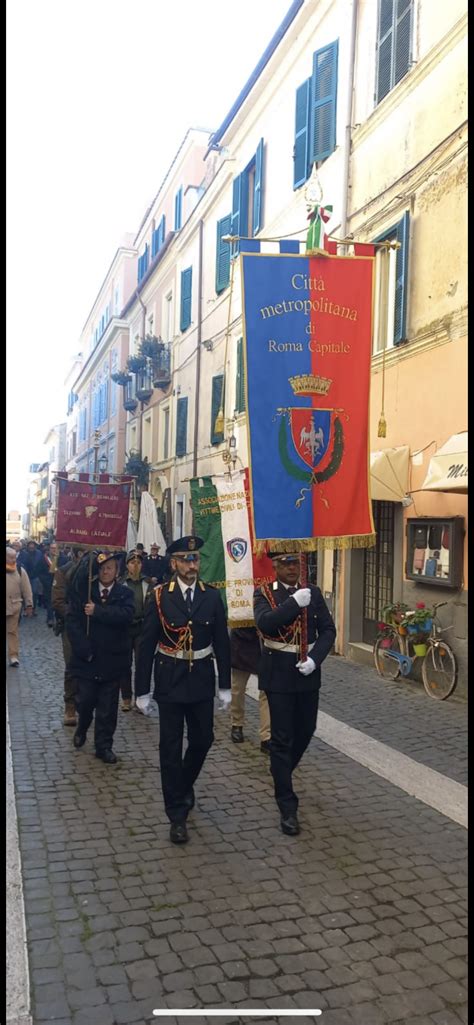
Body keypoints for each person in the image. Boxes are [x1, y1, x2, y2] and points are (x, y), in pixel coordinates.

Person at [135, 535, 231, 845]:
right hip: (170, 680)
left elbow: (222, 644)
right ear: (174, 563)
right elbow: (146, 644)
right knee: (170, 748)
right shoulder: (160, 597)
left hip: (201, 679)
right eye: (187, 560)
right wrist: (141, 691)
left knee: (204, 739)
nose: (193, 565)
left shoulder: (212, 597)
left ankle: (183, 785)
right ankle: (176, 815)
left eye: (196, 559)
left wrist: (225, 686)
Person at [253, 551, 336, 837]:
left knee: (306, 729)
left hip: (307, 671)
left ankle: (281, 771)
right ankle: (287, 807)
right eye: (286, 563)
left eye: (295, 563)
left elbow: (328, 630)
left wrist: (316, 658)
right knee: (282, 737)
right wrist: (292, 604)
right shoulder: (264, 593)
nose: (291, 568)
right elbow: (266, 623)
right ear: (275, 565)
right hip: (278, 674)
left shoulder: (312, 592)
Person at [66, 552, 135, 763]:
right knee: (85, 702)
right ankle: (83, 726)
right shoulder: (85, 592)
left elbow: (126, 615)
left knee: (107, 708)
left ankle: (103, 746)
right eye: (103, 568)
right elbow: (73, 621)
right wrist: (83, 649)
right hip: (88, 659)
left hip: (112, 661)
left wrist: (98, 612)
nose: (106, 572)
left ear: (117, 571)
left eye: (111, 568)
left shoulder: (124, 594)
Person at [51, 546, 85, 725]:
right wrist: (74, 615)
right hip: (71, 627)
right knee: (72, 665)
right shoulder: (64, 572)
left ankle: (85, 703)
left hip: (92, 625)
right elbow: (57, 601)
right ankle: (70, 705)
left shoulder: (95, 573)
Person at [119, 551, 155, 711]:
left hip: (142, 628)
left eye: (139, 563)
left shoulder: (148, 583)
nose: (136, 565)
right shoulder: (121, 584)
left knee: (142, 665)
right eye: (132, 563)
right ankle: (126, 698)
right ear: (127, 565)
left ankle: (141, 698)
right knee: (124, 665)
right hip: (125, 628)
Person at [230, 626, 271, 752]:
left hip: (264, 642)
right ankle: (237, 724)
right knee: (238, 688)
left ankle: (266, 736)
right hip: (241, 639)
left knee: (266, 691)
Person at [6, 547, 34, 666]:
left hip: (14, 606)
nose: (13, 560)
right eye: (10, 557)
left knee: (13, 632)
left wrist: (29, 604)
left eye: (14, 557)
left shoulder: (20, 570)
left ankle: (13, 656)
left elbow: (26, 589)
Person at [18, 540, 48, 613]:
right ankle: (26, 608)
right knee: (25, 593)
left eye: (33, 545)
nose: (31, 546)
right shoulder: (24, 553)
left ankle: (33, 608)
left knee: (34, 592)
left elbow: (42, 563)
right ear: (28, 546)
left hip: (35, 576)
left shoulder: (39, 553)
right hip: (25, 576)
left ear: (35, 546)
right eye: (30, 545)